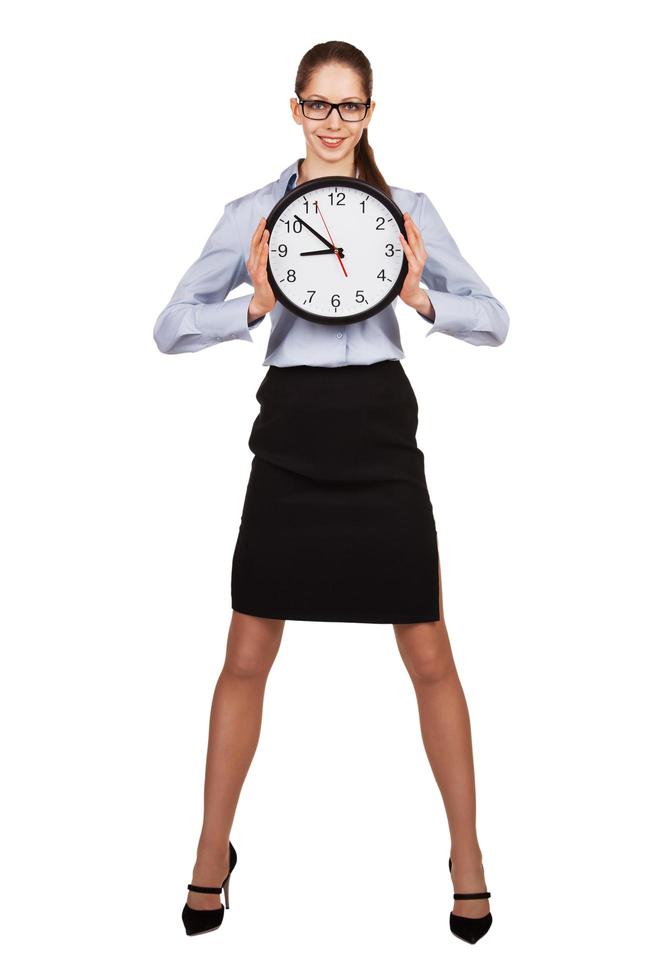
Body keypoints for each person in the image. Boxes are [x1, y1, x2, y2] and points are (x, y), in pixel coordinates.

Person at [153, 41, 509, 944]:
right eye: (320, 105)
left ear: (371, 114)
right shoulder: (254, 215)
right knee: (245, 652)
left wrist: (425, 296)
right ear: (295, 108)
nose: (334, 122)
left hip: (382, 432)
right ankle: (208, 851)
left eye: (351, 108)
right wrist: (256, 305)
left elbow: (496, 320)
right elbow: (168, 328)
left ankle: (467, 857)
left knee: (429, 651)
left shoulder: (407, 212)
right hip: (293, 437)